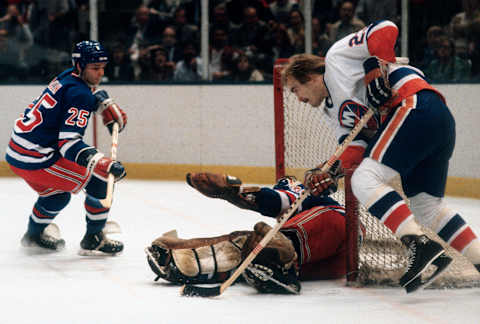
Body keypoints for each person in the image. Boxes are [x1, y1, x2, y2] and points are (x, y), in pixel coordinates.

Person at [282, 20, 480, 293]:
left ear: (310, 77)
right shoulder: (331, 113)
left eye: (295, 90)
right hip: (433, 122)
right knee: (426, 207)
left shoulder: (337, 58)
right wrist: (331, 171)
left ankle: (419, 245)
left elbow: (385, 28)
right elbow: (356, 146)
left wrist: (377, 65)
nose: (298, 98)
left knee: (364, 179)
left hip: (414, 105)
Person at [6, 40, 128, 255]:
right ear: (80, 67)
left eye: (102, 68)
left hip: (18, 152)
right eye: (95, 68)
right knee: (101, 179)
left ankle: (33, 235)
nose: (100, 74)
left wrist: (96, 103)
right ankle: (94, 238)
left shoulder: (67, 76)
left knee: (57, 196)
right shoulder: (79, 94)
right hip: (38, 158)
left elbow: (68, 102)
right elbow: (68, 145)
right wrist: (101, 161)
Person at [145, 170, 350, 294]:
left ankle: (280, 264)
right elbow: (275, 201)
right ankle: (183, 260)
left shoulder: (298, 190)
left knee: (267, 243)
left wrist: (234, 193)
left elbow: (276, 200)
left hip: (337, 225)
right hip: (328, 260)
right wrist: (234, 194)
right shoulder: (297, 197)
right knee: (249, 245)